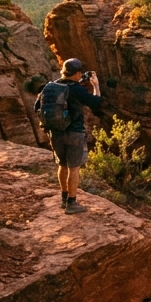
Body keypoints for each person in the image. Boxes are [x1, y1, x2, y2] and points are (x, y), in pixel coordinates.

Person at [47, 58, 103, 214]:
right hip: (74, 133)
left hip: (56, 132)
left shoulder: (52, 86)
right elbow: (96, 103)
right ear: (78, 73)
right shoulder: (77, 90)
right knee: (74, 168)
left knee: (62, 165)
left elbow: (37, 106)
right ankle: (72, 203)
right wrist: (96, 85)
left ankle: (64, 199)